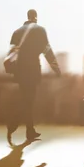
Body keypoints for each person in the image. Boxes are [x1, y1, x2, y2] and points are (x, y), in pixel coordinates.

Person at [7, 9, 61, 142]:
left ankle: (29, 130)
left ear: (27, 17)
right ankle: (14, 123)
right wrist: (56, 69)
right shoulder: (40, 30)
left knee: (27, 99)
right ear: (35, 17)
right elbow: (47, 51)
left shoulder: (17, 32)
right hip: (33, 70)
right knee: (29, 100)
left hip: (20, 70)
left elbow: (11, 52)